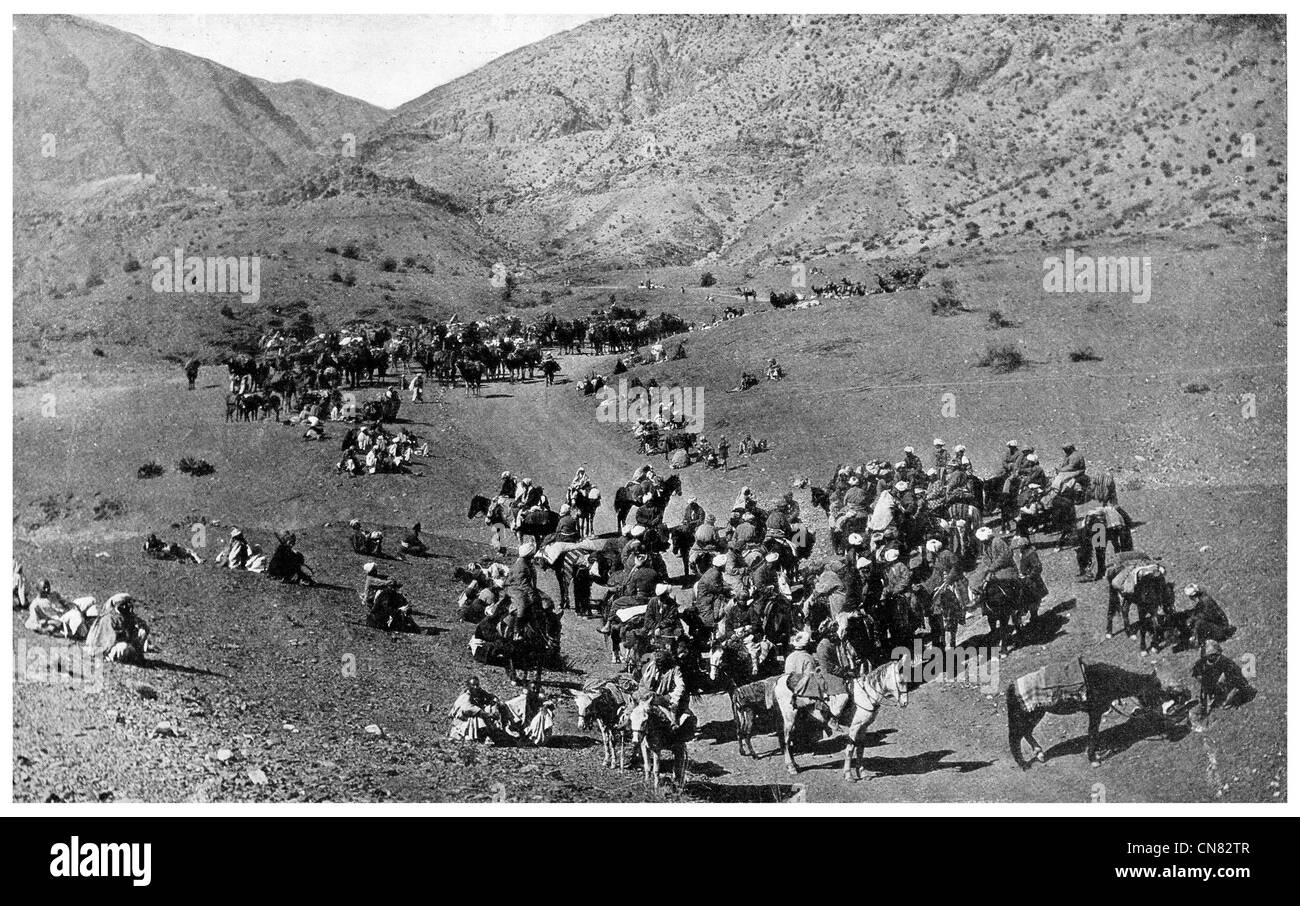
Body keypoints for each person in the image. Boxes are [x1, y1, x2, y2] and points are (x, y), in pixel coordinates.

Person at [1190, 640, 1251, 722]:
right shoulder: (1202, 664)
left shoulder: (1227, 664)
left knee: (1223, 704)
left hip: (1230, 687)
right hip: (1216, 687)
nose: (1210, 658)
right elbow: (1198, 676)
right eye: (1208, 656)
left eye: (1213, 656)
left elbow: (1241, 682)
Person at [448, 677, 502, 743]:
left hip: (475, 714)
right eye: (473, 685)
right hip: (463, 720)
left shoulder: (478, 691)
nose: (475, 687)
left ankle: (489, 734)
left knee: (488, 708)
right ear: (468, 686)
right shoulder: (465, 696)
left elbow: (490, 696)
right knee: (478, 717)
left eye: (477, 685)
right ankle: (483, 736)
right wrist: (489, 715)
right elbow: (470, 709)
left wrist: (494, 702)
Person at [502, 681, 555, 747]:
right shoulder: (522, 700)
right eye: (533, 688)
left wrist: (545, 706)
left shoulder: (539, 699)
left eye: (537, 689)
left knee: (546, 712)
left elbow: (550, 703)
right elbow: (507, 705)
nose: (535, 690)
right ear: (528, 689)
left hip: (534, 728)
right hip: (524, 729)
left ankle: (538, 739)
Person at [1183, 584, 1234, 649]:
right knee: (1196, 620)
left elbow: (1201, 616)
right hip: (1221, 626)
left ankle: (1197, 642)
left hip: (1222, 630)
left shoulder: (1204, 601)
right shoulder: (1203, 598)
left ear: (1192, 596)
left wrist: (1191, 621)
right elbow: (1199, 611)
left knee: (1199, 623)